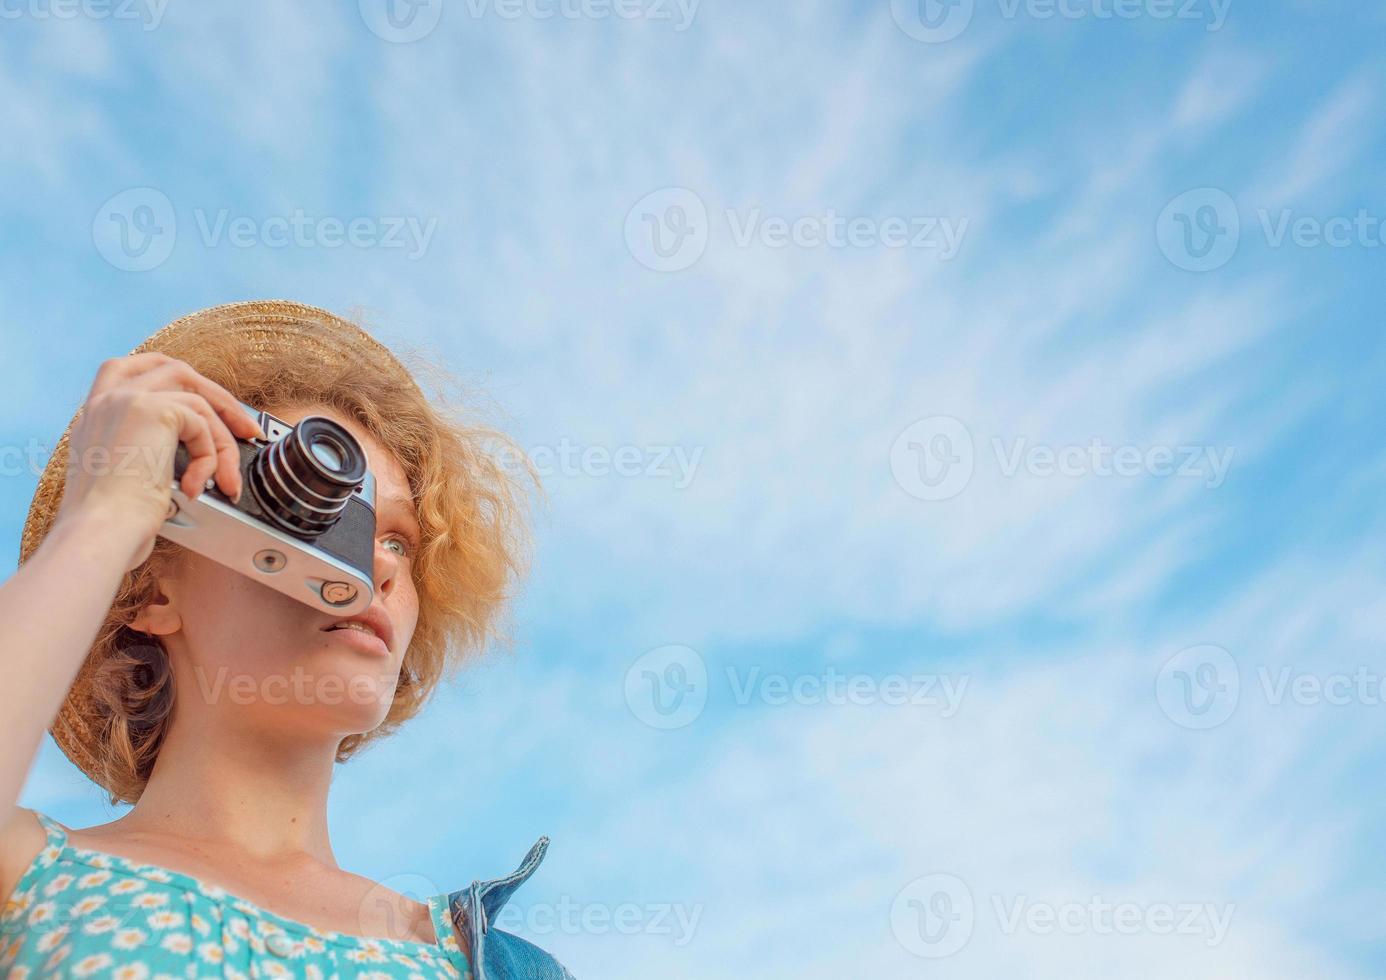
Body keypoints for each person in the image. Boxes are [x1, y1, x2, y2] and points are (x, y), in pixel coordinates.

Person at [0, 301, 574, 978]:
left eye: (398, 541)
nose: (378, 566)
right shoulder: (30, 876)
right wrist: (104, 514)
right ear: (155, 590)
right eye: (325, 519)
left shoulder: (491, 964)